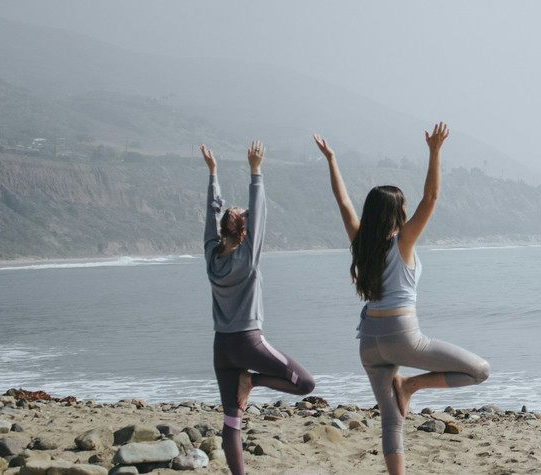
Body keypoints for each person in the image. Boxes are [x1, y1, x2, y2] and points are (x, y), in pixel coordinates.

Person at [314, 124, 489, 475]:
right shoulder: (403, 242)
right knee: (479, 371)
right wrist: (435, 151)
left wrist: (332, 160)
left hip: (368, 343)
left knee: (391, 420)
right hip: (401, 336)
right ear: (396, 213)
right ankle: (412, 384)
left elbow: (343, 201)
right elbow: (432, 198)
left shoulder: (361, 242)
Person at [202, 141, 317, 475]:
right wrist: (256, 171)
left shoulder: (211, 257)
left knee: (231, 421)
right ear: (243, 229)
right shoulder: (247, 259)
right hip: (249, 343)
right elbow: (259, 211)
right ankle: (252, 381)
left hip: (221, 348)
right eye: (244, 215)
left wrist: (213, 174)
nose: (243, 211)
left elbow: (211, 215)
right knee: (305, 384)